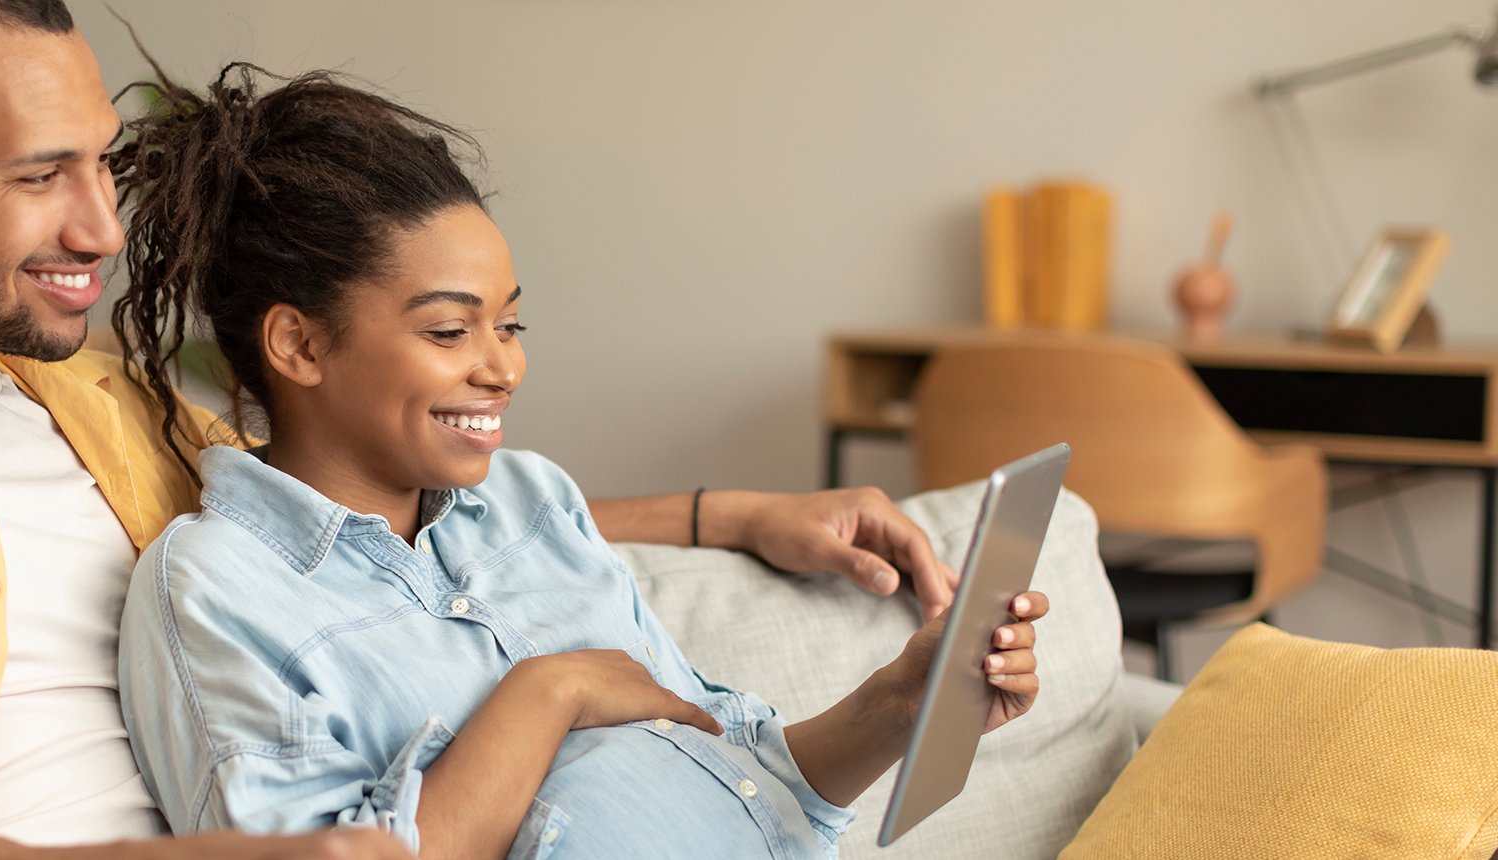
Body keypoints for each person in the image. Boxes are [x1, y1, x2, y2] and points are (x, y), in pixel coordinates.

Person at [0, 2, 971, 858]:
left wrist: (726, 520)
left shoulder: (109, 402)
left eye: (102, 164)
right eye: (44, 177)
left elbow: (367, 530)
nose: (101, 229)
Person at [104, 63, 1050, 859]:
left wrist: (900, 702)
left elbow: (739, 767)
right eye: (450, 328)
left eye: (510, 324)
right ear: (300, 347)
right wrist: (549, 691)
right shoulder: (215, 589)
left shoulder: (531, 501)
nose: (503, 367)